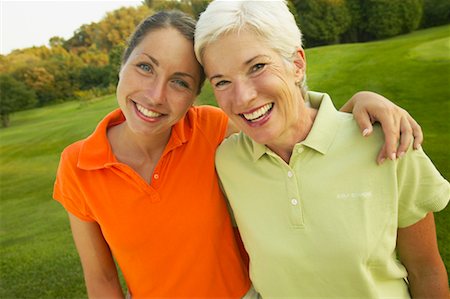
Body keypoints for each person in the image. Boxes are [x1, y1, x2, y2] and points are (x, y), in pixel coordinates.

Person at [53, 9, 424, 299]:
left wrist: (362, 102)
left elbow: (294, 130)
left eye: (180, 82)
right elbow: (100, 278)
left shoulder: (210, 128)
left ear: (196, 95)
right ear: (122, 64)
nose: (154, 95)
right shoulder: (77, 164)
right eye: (145, 67)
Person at [194, 1, 450, 298]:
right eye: (222, 81)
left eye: (257, 67)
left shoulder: (389, 141)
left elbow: (426, 270)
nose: (243, 97)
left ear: (297, 65)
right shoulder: (228, 162)